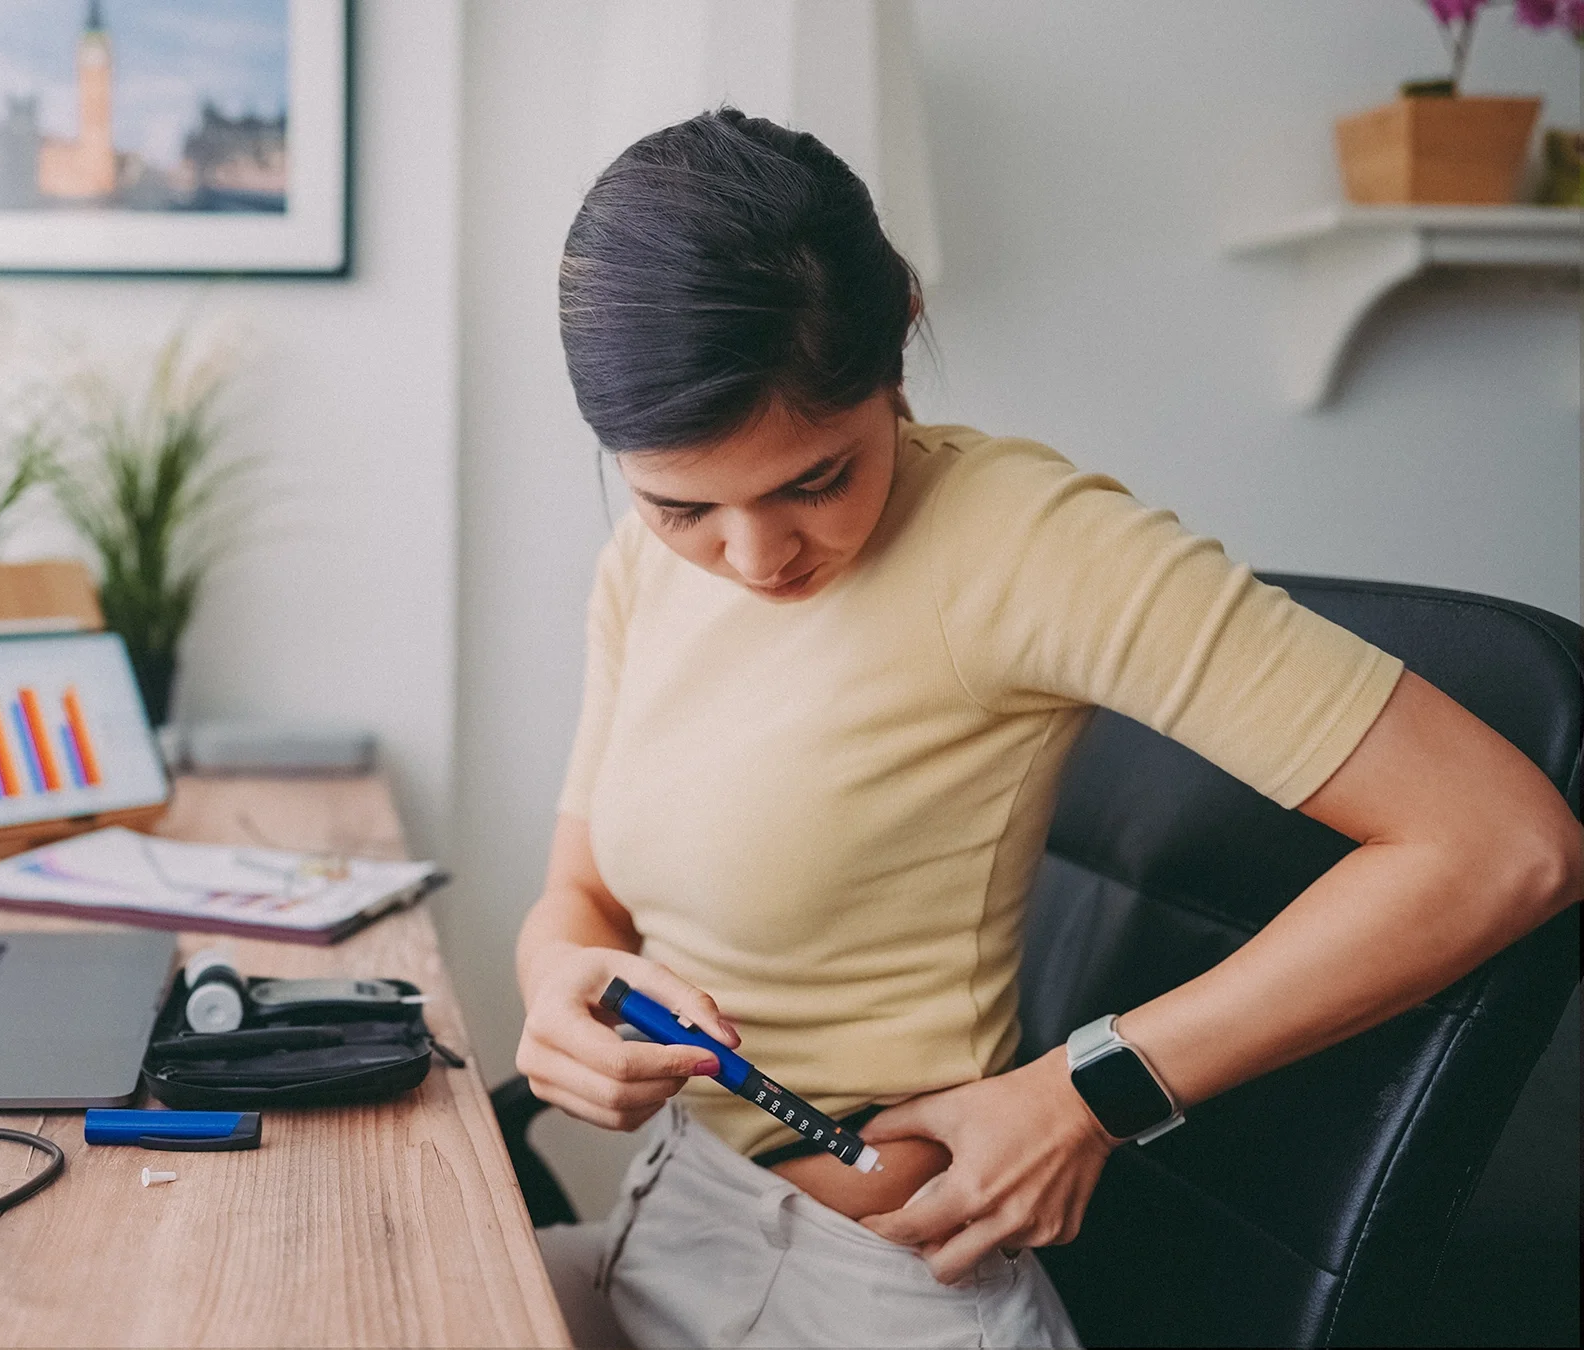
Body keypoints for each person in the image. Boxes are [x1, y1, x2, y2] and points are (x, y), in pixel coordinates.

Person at [516, 109, 1582, 1350]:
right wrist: (555, 996)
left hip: (873, 1285)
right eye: (680, 504)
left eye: (816, 480)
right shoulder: (643, 568)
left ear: (899, 343)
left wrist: (1097, 1091)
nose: (752, 556)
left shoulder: (1025, 540)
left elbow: (1509, 843)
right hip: (678, 1220)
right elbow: (580, 894)